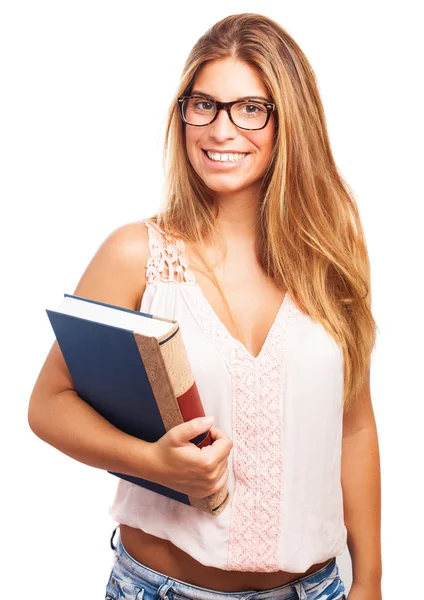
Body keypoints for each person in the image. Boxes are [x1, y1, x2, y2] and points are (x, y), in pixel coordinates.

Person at [28, 12, 382, 600]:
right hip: (159, 588)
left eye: (250, 108)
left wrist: (368, 581)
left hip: (315, 589)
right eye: (204, 105)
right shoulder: (135, 255)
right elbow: (47, 404)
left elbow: (356, 425)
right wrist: (151, 461)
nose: (221, 130)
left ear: (288, 122)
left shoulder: (332, 257)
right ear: (183, 113)